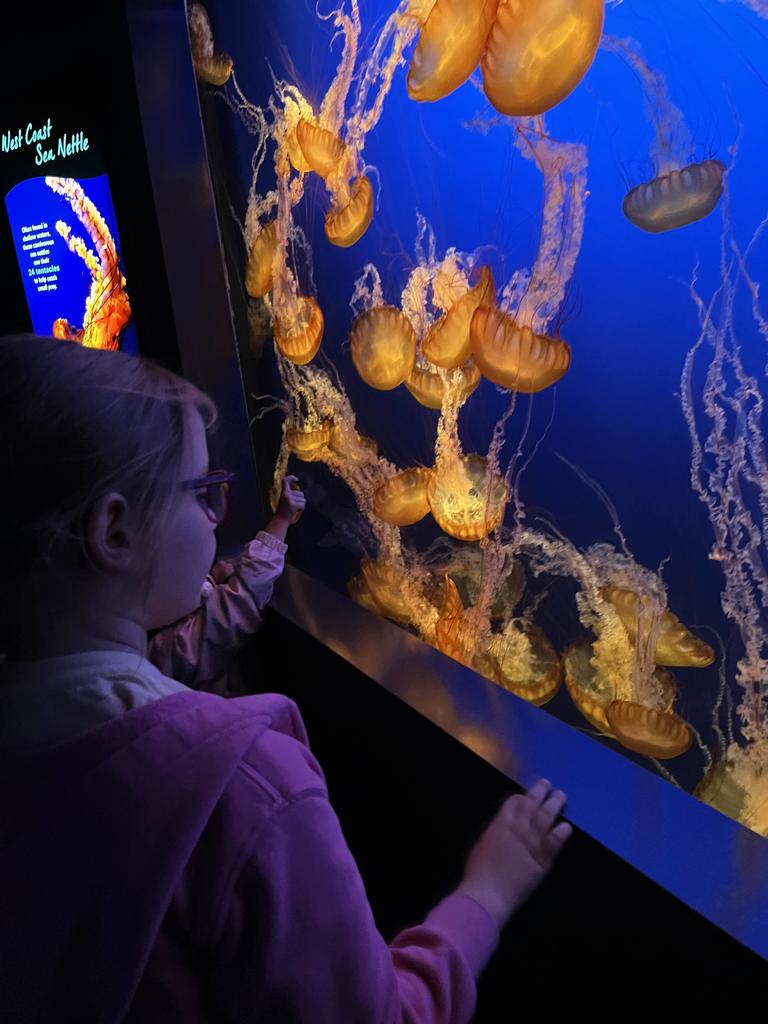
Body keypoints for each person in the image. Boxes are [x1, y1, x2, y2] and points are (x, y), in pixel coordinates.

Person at [0, 334, 571, 1023]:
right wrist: (487, 894)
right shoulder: (243, 790)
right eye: (202, 492)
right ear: (115, 532)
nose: (217, 514)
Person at [148, 474, 305, 694]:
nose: (213, 516)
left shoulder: (155, 628)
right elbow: (239, 601)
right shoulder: (168, 654)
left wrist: (212, 579)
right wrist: (281, 519)